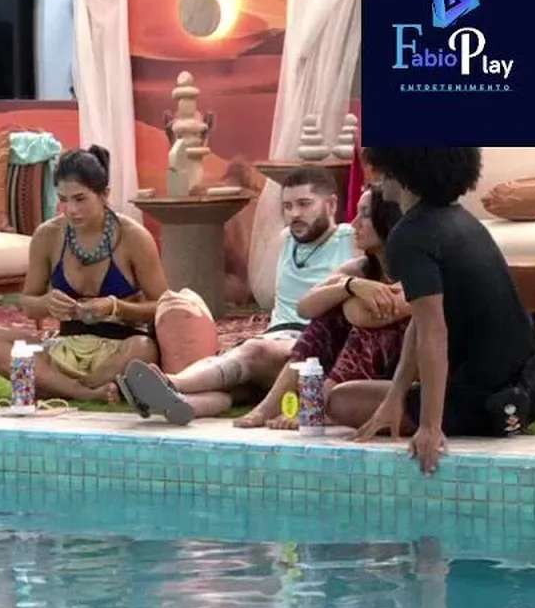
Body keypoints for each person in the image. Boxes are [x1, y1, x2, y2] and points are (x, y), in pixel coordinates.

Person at [350, 147, 535, 475]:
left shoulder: (411, 236)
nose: (378, 178)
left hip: (494, 405)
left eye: (386, 171)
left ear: (405, 174)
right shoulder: (461, 219)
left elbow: (433, 331)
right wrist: (396, 394)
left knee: (341, 400)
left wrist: (429, 427)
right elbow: (420, 322)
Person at [118, 165, 356, 423]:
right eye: (287, 206)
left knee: (253, 351)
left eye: (304, 204)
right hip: (276, 340)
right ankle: (182, 404)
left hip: (314, 346)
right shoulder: (287, 239)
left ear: (331, 205)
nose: (295, 214)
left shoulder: (350, 240)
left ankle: (169, 383)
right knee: (235, 387)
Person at [0, 145, 167, 403]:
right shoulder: (48, 235)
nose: (71, 210)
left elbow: (163, 306)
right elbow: (28, 304)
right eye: (63, 200)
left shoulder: (133, 237)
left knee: (144, 350)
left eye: (80, 199)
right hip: (63, 350)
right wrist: (47, 303)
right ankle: (85, 391)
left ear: (104, 194)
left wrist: (115, 307)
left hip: (119, 348)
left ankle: (55, 386)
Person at [234, 184, 409, 429]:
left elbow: (360, 316)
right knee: (325, 318)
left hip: (406, 365)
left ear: (389, 219)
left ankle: (315, 406)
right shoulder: (360, 268)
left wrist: (345, 295)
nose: (355, 223)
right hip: (364, 364)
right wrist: (351, 285)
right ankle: (268, 406)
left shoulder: (414, 268)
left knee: (359, 326)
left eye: (366, 214)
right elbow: (305, 306)